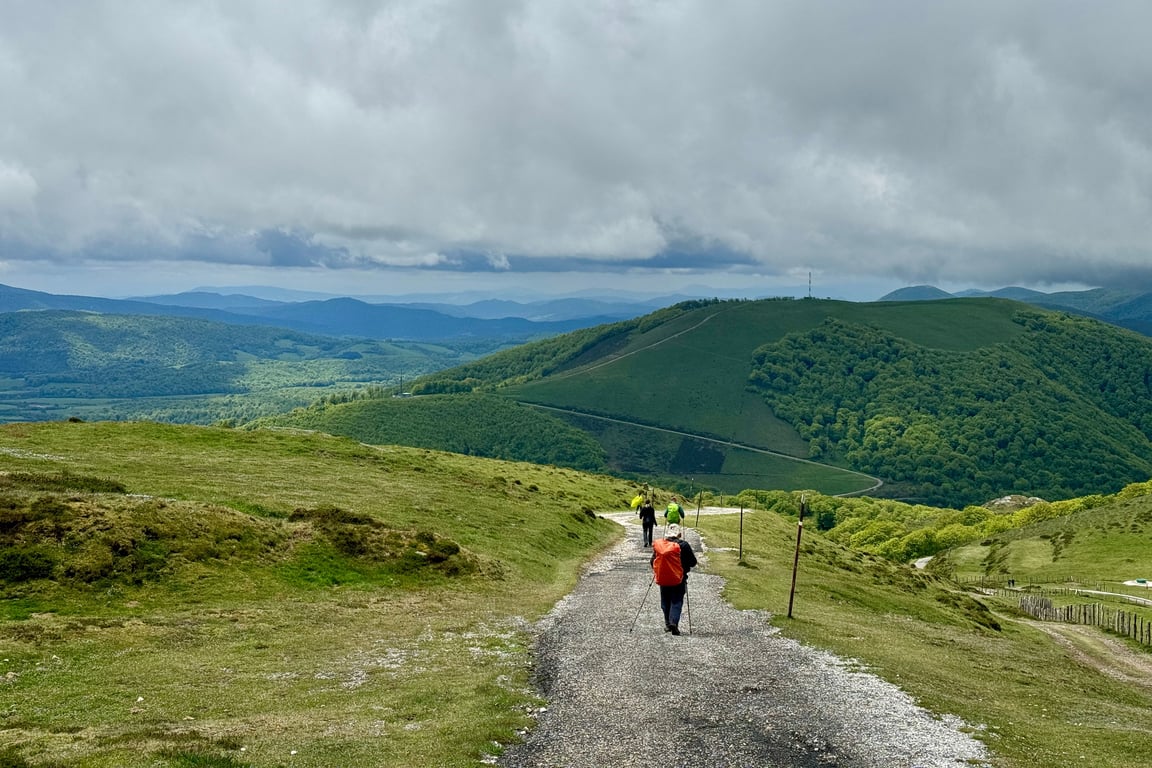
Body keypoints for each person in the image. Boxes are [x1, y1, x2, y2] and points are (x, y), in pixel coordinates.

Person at [650, 524, 697, 635]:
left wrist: (659, 569)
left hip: (663, 578)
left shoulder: (661, 546)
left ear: (667, 534)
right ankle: (674, 623)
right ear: (679, 534)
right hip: (679, 578)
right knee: (677, 600)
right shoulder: (684, 545)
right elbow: (693, 562)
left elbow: (652, 561)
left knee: (665, 601)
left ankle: (667, 624)